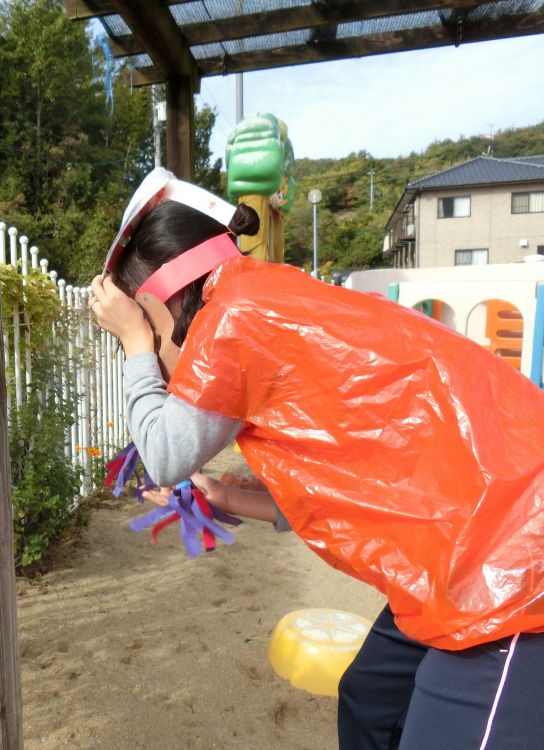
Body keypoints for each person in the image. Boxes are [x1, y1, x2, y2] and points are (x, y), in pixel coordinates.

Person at [89, 167, 544, 749]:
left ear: (160, 302)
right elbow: (341, 479)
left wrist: (132, 345)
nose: (153, 359)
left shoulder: (233, 318)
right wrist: (227, 495)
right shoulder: (268, 299)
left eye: (149, 333)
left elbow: (164, 453)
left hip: (507, 564)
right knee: (371, 696)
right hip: (465, 544)